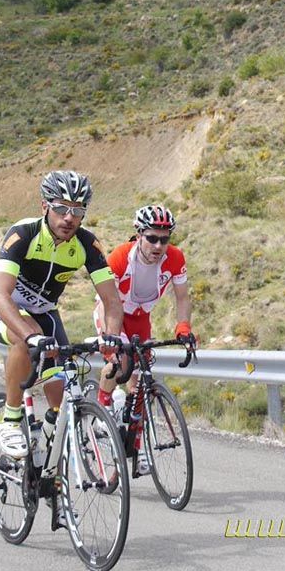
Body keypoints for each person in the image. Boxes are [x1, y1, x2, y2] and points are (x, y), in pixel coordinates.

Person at [0, 170, 124, 477]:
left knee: (63, 389)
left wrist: (112, 338)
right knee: (26, 338)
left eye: (78, 210)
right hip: (3, 306)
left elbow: (112, 302)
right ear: (45, 206)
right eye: (61, 207)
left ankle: (47, 452)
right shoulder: (24, 233)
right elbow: (0, 296)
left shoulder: (87, 244)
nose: (69, 217)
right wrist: (30, 336)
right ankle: (10, 419)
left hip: (45, 311)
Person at [92, 204, 196, 476]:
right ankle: (104, 410)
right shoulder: (120, 257)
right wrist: (110, 337)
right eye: (151, 238)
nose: (158, 245)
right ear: (139, 234)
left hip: (141, 318)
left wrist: (183, 326)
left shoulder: (175, 258)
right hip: (114, 312)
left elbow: (182, 297)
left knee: (141, 382)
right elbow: (106, 301)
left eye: (164, 239)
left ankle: (135, 450)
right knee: (121, 365)